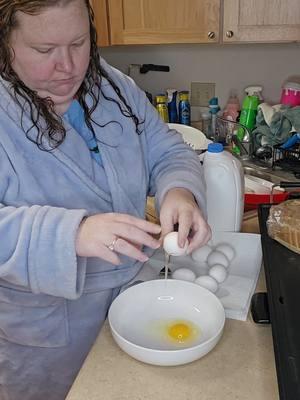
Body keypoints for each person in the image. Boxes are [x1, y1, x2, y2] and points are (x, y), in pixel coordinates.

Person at [0, 1, 211, 399]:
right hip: (50, 336)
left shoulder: (111, 86)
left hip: (136, 303)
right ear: (5, 44)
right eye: (44, 51)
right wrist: (71, 233)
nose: (68, 66)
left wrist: (180, 190)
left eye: (79, 43)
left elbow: (167, 150)